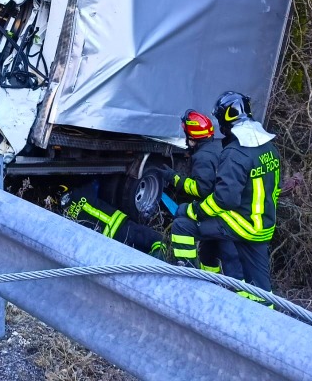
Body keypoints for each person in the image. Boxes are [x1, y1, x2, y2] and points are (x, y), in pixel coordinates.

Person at [169, 92, 280, 303]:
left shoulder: (235, 153)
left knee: (183, 224)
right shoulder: (269, 148)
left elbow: (224, 200)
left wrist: (193, 210)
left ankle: (189, 284)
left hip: (242, 225)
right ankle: (263, 315)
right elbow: (275, 188)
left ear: (224, 120)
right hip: (263, 228)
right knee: (262, 289)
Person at [160, 109, 240, 276]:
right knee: (209, 251)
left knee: (181, 225)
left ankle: (186, 270)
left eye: (186, 133)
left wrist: (175, 179)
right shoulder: (216, 146)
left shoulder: (202, 157)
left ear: (193, 136)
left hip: (214, 212)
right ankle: (212, 278)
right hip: (227, 213)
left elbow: (201, 189)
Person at [61, 182, 167, 260]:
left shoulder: (63, 214)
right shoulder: (80, 193)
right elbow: (158, 240)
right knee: (154, 240)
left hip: (114, 238)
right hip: (121, 229)